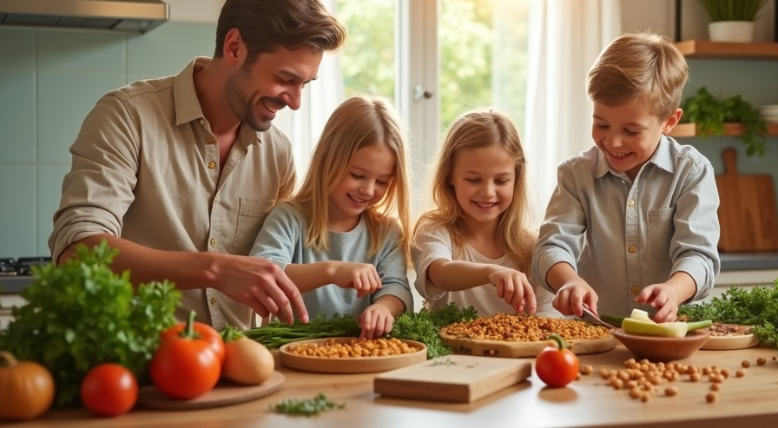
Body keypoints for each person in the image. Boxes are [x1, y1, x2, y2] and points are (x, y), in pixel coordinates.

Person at [48, 0, 346, 330]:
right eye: (285, 79)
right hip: (135, 368)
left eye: (305, 84)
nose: (295, 102)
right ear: (235, 48)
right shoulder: (126, 117)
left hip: (240, 370)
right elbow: (78, 253)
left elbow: (276, 266)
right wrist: (213, 269)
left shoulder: (277, 154)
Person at [532, 32, 720, 323]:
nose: (613, 142)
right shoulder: (576, 175)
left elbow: (699, 256)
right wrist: (568, 280)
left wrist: (673, 290)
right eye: (601, 124)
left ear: (669, 121)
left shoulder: (691, 172)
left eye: (631, 131)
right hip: (597, 330)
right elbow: (552, 247)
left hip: (669, 332)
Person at [249, 95, 414, 339]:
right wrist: (330, 271)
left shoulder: (387, 231)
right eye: (357, 175)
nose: (368, 190)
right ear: (328, 160)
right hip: (293, 355)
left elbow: (396, 287)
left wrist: (383, 308)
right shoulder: (289, 217)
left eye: (382, 181)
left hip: (359, 352)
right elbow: (263, 272)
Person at [413, 108, 559, 317]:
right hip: (450, 350)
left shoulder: (533, 248)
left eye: (501, 181)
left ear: (517, 180)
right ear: (450, 176)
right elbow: (439, 273)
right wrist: (490, 272)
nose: (488, 192)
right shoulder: (434, 230)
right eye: (473, 180)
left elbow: (548, 318)